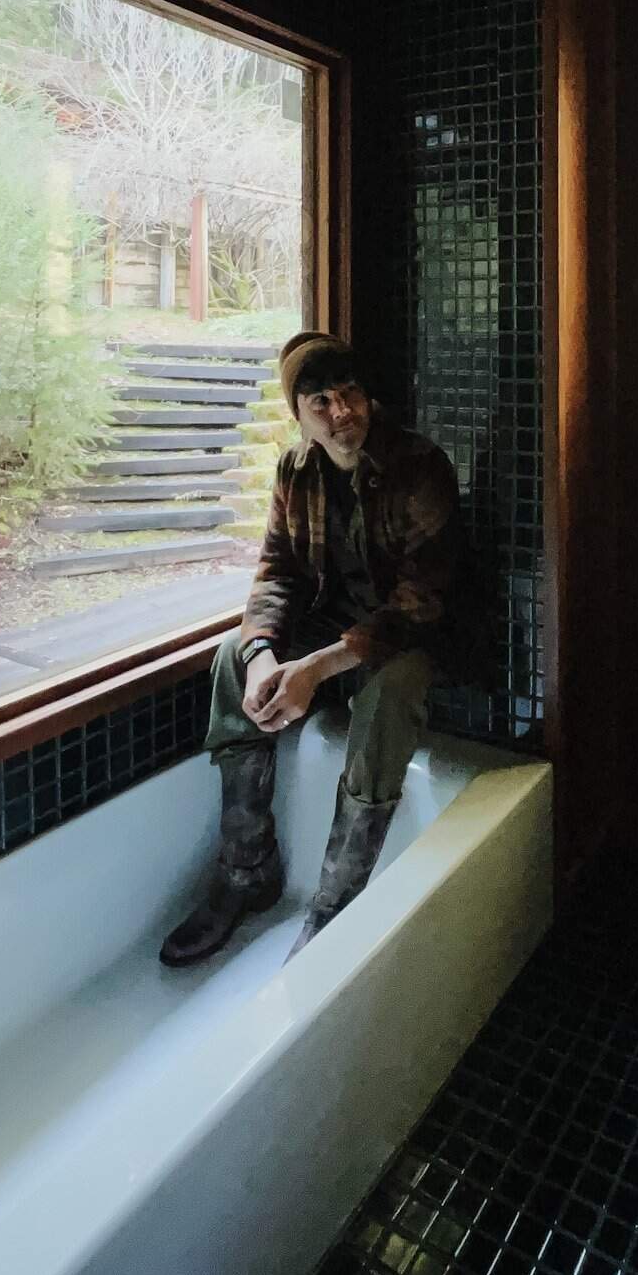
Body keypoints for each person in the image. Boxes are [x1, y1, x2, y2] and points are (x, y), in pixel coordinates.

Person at [159, 330, 473, 966]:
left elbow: (420, 602)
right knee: (229, 656)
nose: (342, 412)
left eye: (349, 392)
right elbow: (276, 572)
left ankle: (334, 902)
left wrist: (318, 666)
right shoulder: (294, 470)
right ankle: (247, 872)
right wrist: (263, 659)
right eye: (320, 402)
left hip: (406, 641)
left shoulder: (419, 467)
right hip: (328, 634)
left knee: (392, 689)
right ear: (298, 414)